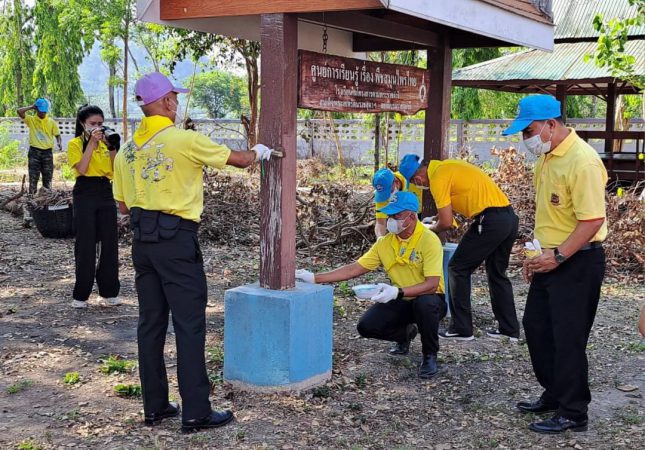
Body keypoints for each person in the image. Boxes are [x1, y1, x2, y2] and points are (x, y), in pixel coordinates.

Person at [112, 72, 273, 432]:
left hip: (143, 245)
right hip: (177, 241)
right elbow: (240, 160)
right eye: (174, 97)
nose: (175, 103)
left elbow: (123, 206)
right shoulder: (182, 139)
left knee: (150, 324)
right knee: (188, 326)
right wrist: (259, 152)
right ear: (167, 101)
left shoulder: (127, 150)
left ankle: (155, 407)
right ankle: (196, 412)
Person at [503, 94, 607, 434]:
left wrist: (559, 255)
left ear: (551, 125)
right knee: (536, 328)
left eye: (528, 131)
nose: (525, 140)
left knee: (568, 337)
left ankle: (574, 412)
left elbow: (591, 221)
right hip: (550, 258)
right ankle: (555, 392)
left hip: (577, 260)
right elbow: (550, 214)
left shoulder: (583, 161)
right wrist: (536, 255)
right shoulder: (547, 157)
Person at [296, 191, 447, 379]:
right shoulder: (385, 243)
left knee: (426, 304)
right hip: (400, 298)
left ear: (411, 216)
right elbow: (354, 269)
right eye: (390, 215)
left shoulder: (429, 240)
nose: (392, 220)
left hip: (429, 299)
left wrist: (397, 291)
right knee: (366, 326)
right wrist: (315, 278)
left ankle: (429, 355)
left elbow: (432, 285)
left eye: (397, 215)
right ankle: (405, 335)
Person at [404, 154, 520, 341]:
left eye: (416, 183)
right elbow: (454, 205)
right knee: (497, 273)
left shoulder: (437, 178)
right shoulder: (447, 166)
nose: (418, 184)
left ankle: (461, 328)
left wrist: (430, 230)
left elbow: (447, 222)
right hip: (508, 218)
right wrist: (437, 218)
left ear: (417, 178)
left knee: (457, 268)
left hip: (489, 221)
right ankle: (509, 329)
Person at [67, 105, 120, 309]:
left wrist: (112, 146)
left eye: (100, 123)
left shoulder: (106, 142)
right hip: (84, 191)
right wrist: (90, 142)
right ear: (83, 124)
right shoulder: (75, 143)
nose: (97, 127)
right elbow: (81, 168)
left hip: (105, 190)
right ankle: (81, 294)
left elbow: (115, 169)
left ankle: (109, 291)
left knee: (109, 243)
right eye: (92, 124)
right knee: (86, 243)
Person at [17, 98, 62, 195]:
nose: (43, 113)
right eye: (41, 111)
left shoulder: (51, 122)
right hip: (34, 153)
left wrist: (59, 142)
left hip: (47, 153)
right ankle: (31, 200)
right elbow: (19, 111)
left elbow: (58, 135)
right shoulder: (31, 120)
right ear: (36, 110)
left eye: (44, 111)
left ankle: (46, 200)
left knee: (48, 178)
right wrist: (32, 107)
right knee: (33, 178)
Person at [373, 166, 423, 237]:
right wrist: (380, 238)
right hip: (400, 222)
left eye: (389, 192)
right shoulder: (381, 197)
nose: (387, 197)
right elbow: (380, 223)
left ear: (396, 182)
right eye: (384, 194)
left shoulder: (413, 180)